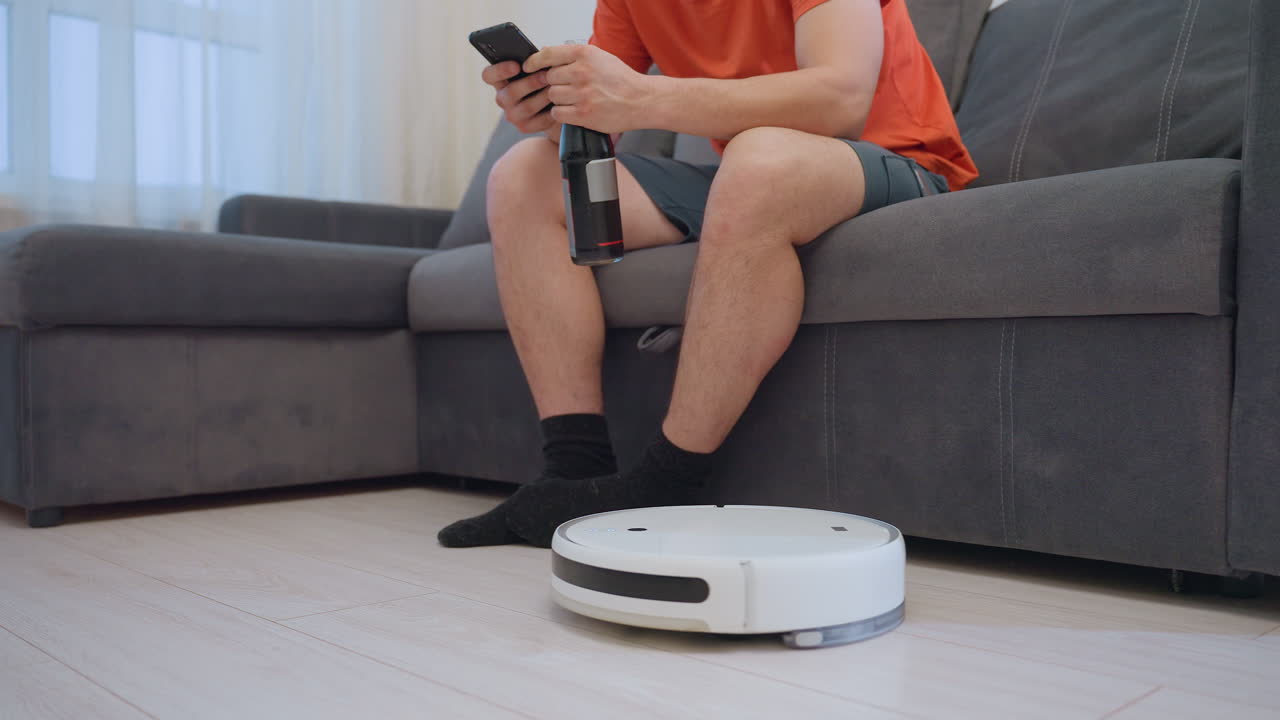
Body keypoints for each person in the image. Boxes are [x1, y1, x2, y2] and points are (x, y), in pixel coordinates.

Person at [439, 0, 977, 548]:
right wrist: (554, 108)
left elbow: (840, 100)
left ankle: (667, 483)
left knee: (759, 157)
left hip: (894, 164)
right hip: (752, 175)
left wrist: (641, 97)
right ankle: (573, 475)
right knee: (523, 175)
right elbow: (595, 121)